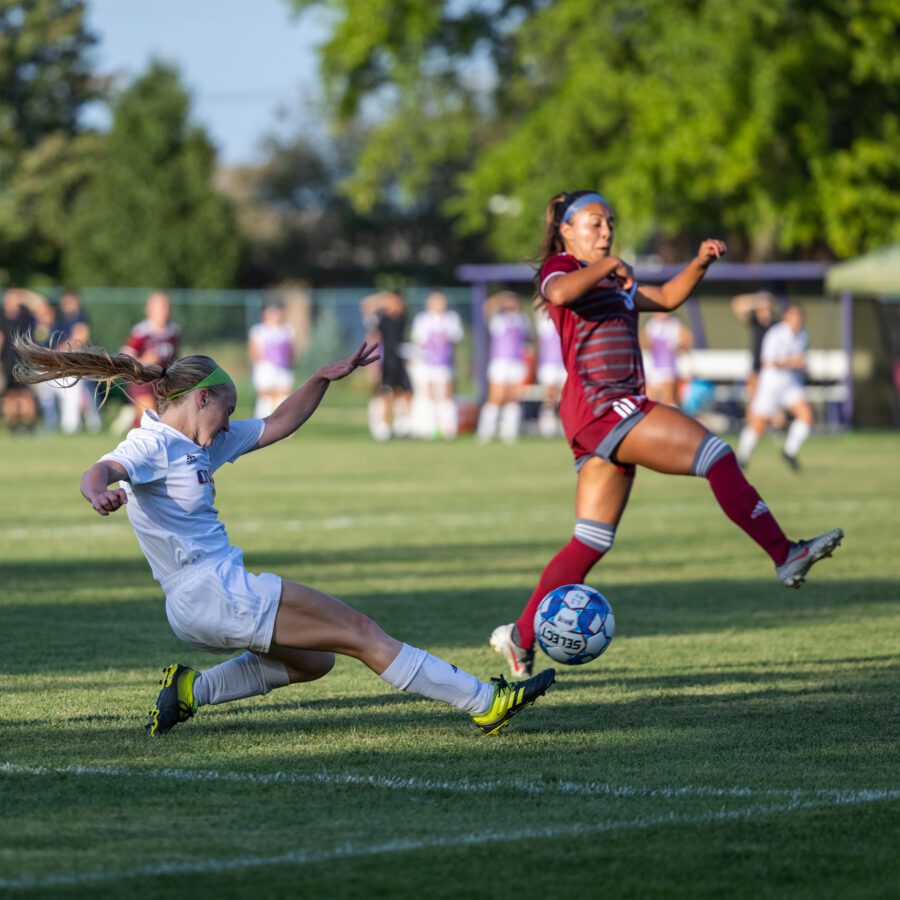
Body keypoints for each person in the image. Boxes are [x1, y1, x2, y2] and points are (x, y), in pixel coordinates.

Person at [12, 334, 555, 735]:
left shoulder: (201, 443)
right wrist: (97, 491)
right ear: (201, 398)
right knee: (361, 631)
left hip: (201, 600)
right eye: (226, 411)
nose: (230, 423)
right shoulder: (153, 444)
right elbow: (100, 469)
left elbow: (278, 423)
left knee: (313, 661)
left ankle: (190, 690)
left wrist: (320, 377)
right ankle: (485, 701)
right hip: (213, 591)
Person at [489, 190, 843, 677]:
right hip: (605, 405)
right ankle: (784, 553)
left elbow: (669, 298)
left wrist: (699, 262)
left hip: (598, 414)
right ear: (566, 231)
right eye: (594, 223)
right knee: (716, 454)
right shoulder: (560, 267)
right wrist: (610, 263)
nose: (606, 230)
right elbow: (559, 294)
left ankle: (519, 636)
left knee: (590, 541)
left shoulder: (614, 280)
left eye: (609, 222)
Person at [736, 305, 814, 471]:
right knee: (758, 424)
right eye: (794, 317)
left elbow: (802, 359)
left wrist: (800, 365)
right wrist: (793, 362)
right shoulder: (775, 334)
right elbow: (768, 361)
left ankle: (789, 451)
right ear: (786, 317)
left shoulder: (802, 334)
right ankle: (742, 457)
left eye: (799, 317)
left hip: (790, 383)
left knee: (806, 416)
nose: (797, 321)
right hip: (771, 384)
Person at [117, 291, 181, 430]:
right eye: (159, 307)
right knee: (154, 421)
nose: (164, 311)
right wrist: (144, 360)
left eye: (166, 306)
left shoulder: (174, 332)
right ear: (149, 309)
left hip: (163, 382)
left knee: (165, 422)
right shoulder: (141, 332)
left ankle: (133, 415)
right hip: (143, 382)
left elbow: (176, 358)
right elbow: (124, 358)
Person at [409, 291, 464, 440]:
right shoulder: (422, 319)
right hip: (427, 364)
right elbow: (419, 341)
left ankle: (448, 429)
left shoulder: (451, 318)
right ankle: (430, 429)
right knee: (429, 395)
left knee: (446, 396)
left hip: (445, 363)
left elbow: (455, 336)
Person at [477, 291, 531, 443]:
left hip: (516, 363)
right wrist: (501, 298)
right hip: (500, 362)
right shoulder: (498, 319)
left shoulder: (522, 319)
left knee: (513, 398)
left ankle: (509, 433)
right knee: (496, 397)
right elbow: (486, 307)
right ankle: (485, 432)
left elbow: (527, 340)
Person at [360, 291, 413, 441]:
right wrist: (382, 299)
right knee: (386, 395)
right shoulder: (381, 319)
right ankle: (383, 427)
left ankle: (403, 425)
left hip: (400, 361)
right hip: (387, 362)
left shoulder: (402, 318)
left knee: (406, 393)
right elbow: (366, 305)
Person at [248, 301, 296, 418]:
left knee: (284, 394)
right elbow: (253, 351)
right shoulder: (258, 330)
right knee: (265, 396)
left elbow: (292, 350)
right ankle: (263, 421)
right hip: (265, 367)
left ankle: (285, 422)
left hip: (283, 368)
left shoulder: (287, 330)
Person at [731, 291, 776, 410]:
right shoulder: (755, 322)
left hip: (772, 371)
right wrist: (757, 300)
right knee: (753, 403)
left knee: (772, 405)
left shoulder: (776, 325)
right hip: (756, 370)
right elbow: (737, 305)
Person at [0, 288, 38, 432]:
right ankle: (12, 427)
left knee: (26, 395)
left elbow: (40, 305)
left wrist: (24, 294)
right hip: (8, 362)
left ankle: (28, 426)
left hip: (25, 362)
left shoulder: (26, 316)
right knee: (9, 395)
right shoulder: (2, 318)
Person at [641, 311, 693, 407]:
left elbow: (687, 341)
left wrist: (678, 346)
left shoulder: (675, 324)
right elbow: (645, 344)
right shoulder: (651, 325)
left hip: (670, 368)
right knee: (650, 399)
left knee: (669, 400)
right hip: (654, 368)